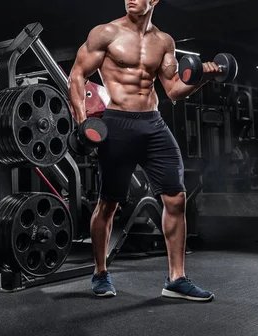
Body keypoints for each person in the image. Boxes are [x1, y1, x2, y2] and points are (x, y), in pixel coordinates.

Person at [68, 0, 221, 302]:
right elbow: (76, 76)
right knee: (108, 203)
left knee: (176, 198)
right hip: (117, 123)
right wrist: (84, 123)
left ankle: (176, 279)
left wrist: (204, 77)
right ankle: (100, 273)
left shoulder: (164, 42)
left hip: (153, 124)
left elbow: (174, 90)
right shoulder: (106, 33)